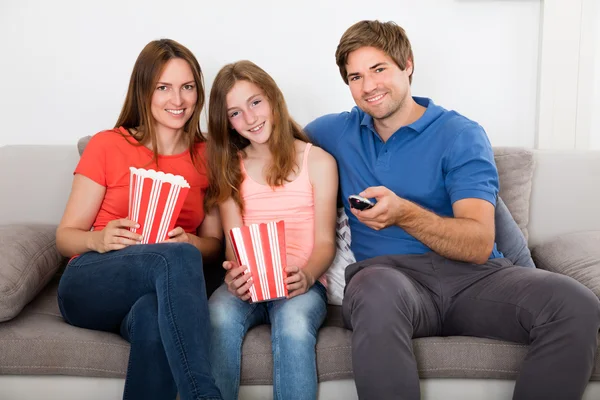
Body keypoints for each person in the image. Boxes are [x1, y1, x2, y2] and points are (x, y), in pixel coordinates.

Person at [304, 20, 600, 400]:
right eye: (355, 76)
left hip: (475, 279)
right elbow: (271, 145)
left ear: (407, 64)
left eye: (379, 69)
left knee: (576, 303)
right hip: (392, 281)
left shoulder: (459, 134)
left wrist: (403, 214)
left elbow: (478, 243)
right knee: (372, 287)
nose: (368, 86)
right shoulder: (334, 132)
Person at [55, 39, 223, 400]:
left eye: (187, 87)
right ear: (143, 91)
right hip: (92, 280)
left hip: (157, 292)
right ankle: (203, 395)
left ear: (198, 92)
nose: (177, 100)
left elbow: (213, 243)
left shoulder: (208, 155)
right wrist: (97, 239)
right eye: (163, 87)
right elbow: (64, 237)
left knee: (153, 315)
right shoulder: (107, 145)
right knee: (174, 257)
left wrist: (193, 243)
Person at [205, 60, 338, 400]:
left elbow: (325, 242)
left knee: (293, 326)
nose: (250, 118)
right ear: (228, 123)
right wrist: (235, 275)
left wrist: (307, 276)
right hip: (250, 281)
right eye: (235, 113)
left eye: (255, 102)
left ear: (274, 98)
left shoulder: (318, 161)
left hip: (301, 282)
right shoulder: (230, 168)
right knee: (217, 313)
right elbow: (235, 246)